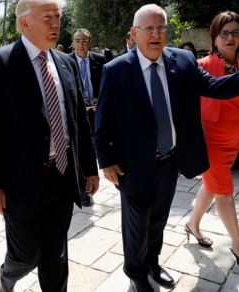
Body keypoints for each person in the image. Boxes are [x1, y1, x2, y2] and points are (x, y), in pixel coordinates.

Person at [94, 4, 239, 292]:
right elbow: (103, 121)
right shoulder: (116, 70)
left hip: (170, 160)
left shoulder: (183, 61)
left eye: (161, 27)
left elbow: (216, 88)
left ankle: (152, 263)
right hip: (132, 166)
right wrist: (106, 160)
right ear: (135, 34)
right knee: (136, 225)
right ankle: (136, 274)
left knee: (158, 219)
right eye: (149, 28)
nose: (156, 33)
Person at [0, 0, 99, 290]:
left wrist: (89, 168)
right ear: (24, 23)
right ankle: (8, 276)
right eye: (47, 17)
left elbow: (78, 120)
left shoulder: (65, 62)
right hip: (21, 182)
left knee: (56, 254)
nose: (56, 23)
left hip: (63, 175)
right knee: (26, 255)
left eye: (58, 17)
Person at [185, 11, 239, 264]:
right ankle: (238, 245)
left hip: (233, 140)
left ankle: (192, 224)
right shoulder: (200, 67)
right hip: (211, 141)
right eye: (224, 33)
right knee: (225, 193)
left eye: (235, 32)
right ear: (214, 37)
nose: (230, 38)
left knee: (212, 184)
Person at [69, 28, 106, 206]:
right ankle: (84, 190)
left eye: (84, 41)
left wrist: (100, 97)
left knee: (93, 149)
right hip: (77, 113)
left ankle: (93, 179)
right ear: (73, 43)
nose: (80, 44)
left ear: (90, 42)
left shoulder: (99, 60)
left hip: (96, 112)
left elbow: (106, 85)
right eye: (77, 41)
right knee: (80, 149)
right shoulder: (66, 61)